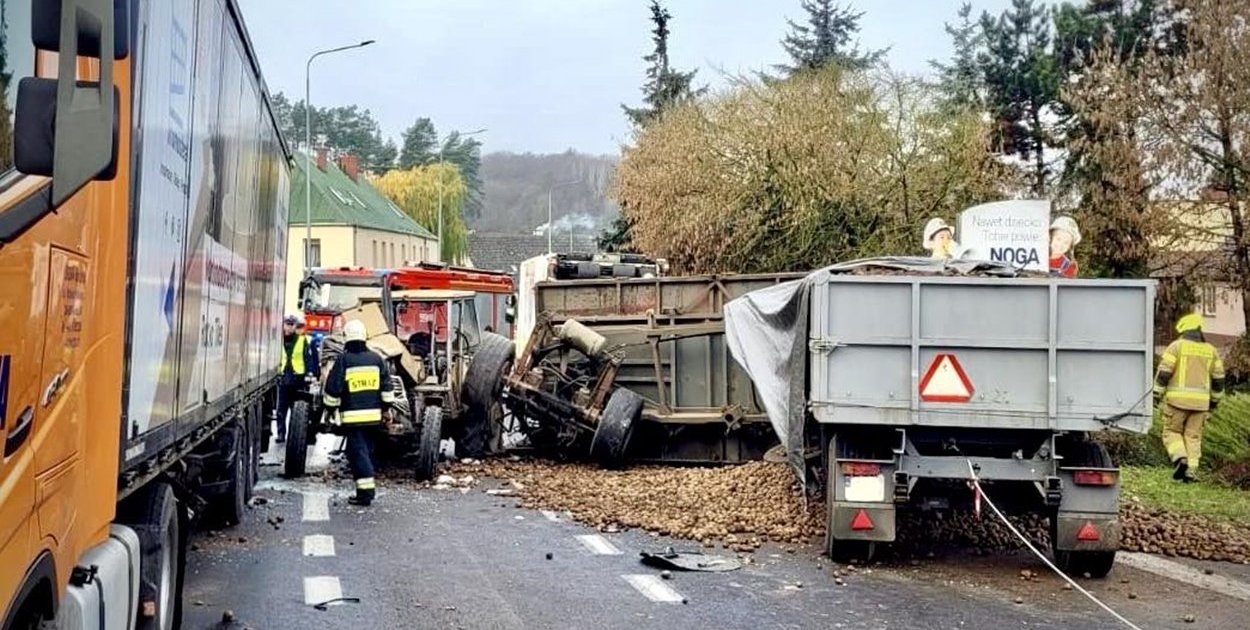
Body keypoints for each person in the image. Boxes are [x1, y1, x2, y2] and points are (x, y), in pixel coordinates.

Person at [322, 319, 395, 506]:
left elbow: (333, 388)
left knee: (357, 455)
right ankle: (366, 491)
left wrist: (330, 409)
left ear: (347, 338)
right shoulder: (377, 359)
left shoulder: (344, 360)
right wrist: (386, 410)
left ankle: (365, 494)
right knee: (367, 452)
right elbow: (387, 388)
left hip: (353, 420)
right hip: (374, 419)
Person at [1154, 313, 1226, 483]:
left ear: (1184, 330)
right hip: (1201, 405)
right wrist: (1213, 403)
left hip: (1177, 403)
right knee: (1193, 437)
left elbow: (1164, 373)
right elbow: (1219, 380)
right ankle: (1191, 472)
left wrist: (1156, 395)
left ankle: (1180, 459)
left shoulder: (1176, 347)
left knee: (1171, 432)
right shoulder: (1211, 351)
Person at [276, 315, 318, 443]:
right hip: (283, 377)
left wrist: (310, 374)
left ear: (295, 326)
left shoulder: (302, 340)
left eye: (292, 325)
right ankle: (281, 434)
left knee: (297, 409)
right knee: (281, 409)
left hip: (298, 378)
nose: (289, 327)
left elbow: (308, 358)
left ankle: (296, 434)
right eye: (287, 324)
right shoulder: (278, 340)